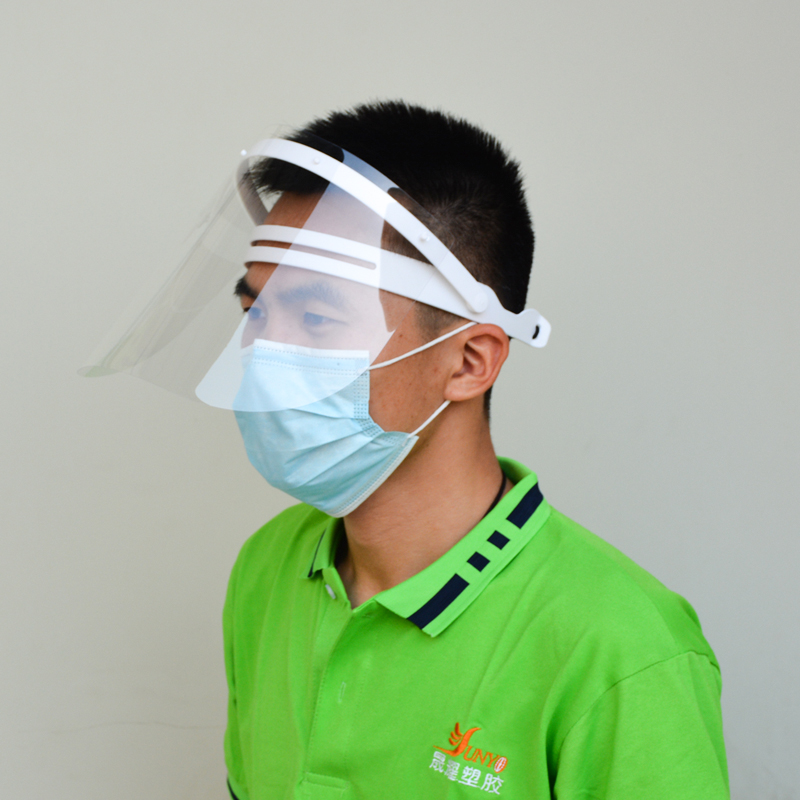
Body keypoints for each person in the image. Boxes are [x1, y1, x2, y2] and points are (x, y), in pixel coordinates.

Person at [83, 100, 730, 799]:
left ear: (470, 361)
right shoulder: (267, 568)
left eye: (317, 316)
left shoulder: (623, 648)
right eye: (256, 311)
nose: (262, 355)